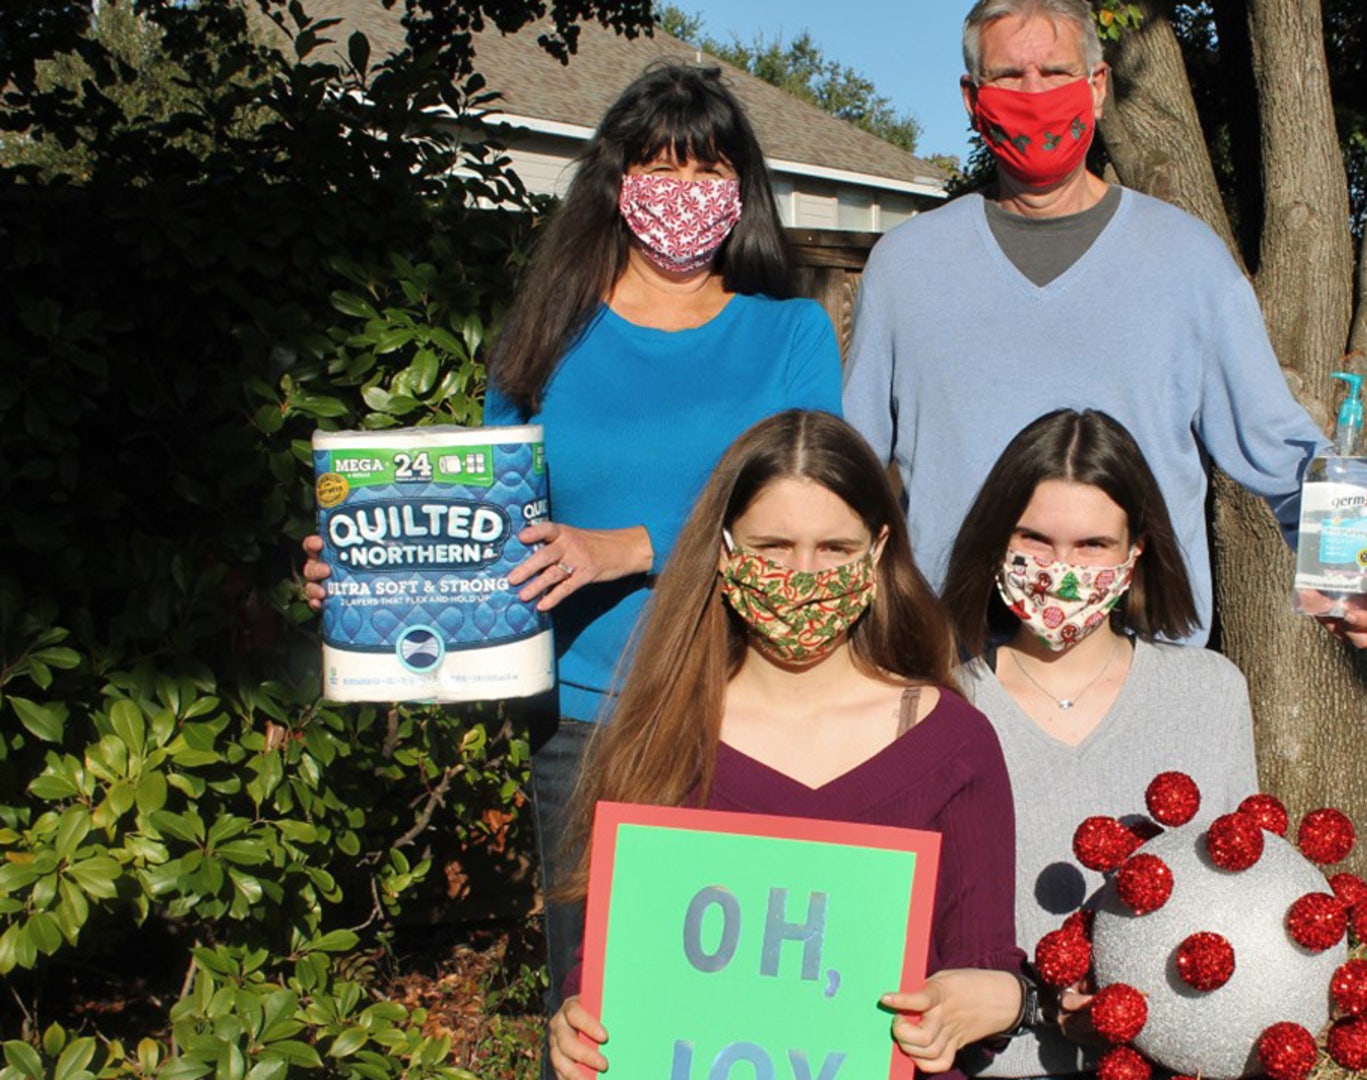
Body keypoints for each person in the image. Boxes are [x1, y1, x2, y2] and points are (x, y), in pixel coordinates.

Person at [301, 64, 842, 1035]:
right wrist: (364, 575)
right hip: (586, 729)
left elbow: (811, 513)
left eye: (710, 170)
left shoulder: (791, 332)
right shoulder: (548, 333)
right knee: (593, 1018)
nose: (684, 193)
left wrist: (633, 546)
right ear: (613, 180)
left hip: (751, 707)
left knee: (742, 1021)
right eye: (659, 166)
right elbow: (485, 528)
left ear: (744, 189)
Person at [842, 0, 1367, 649]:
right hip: (956, 674)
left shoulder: (1189, 262)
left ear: (1097, 86)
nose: (1033, 93)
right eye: (1008, 76)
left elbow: (1276, 445)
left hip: (1146, 675)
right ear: (972, 97)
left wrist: (1364, 551)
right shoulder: (905, 267)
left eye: (1054, 72)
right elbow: (848, 477)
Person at [545, 410, 1024, 1079]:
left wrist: (991, 999)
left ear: (878, 552)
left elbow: (988, 963)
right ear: (724, 550)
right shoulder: (660, 730)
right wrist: (576, 1021)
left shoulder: (952, 743)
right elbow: (609, 965)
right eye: (773, 547)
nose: (804, 576)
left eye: (834, 549)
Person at [942, 409, 1259, 1076]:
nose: (1061, 570)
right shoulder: (936, 703)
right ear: (997, 540)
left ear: (1136, 550)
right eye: (1035, 539)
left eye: (1092, 545)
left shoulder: (1209, 694)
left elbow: (1240, 898)